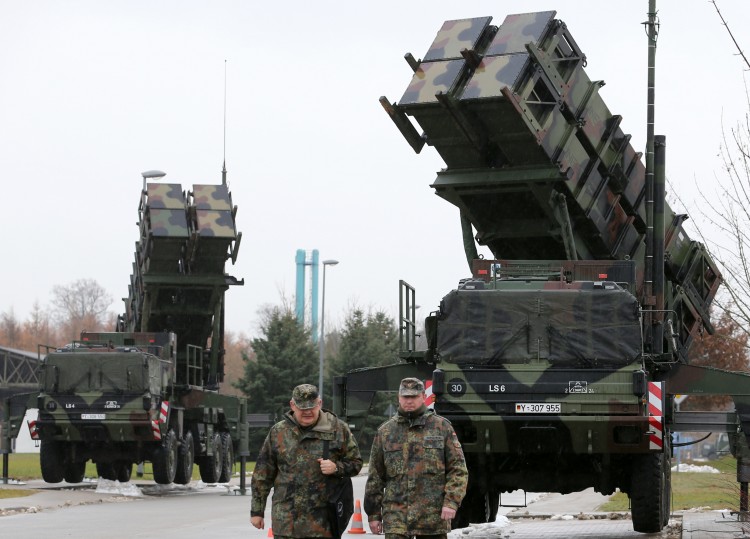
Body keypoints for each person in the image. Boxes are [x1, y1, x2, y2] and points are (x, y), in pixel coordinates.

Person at [250, 384, 363, 538]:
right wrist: (257, 511)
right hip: (286, 523)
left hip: (323, 524)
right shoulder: (278, 432)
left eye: (312, 406)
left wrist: (336, 468)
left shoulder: (338, 429)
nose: (308, 412)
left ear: (320, 404)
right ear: (292, 405)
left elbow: (356, 463)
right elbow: (262, 474)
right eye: (302, 408)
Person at [364, 377, 468, 539]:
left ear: (422, 397)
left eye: (414, 397)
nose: (409, 401)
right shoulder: (386, 432)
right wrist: (374, 515)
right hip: (396, 517)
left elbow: (458, 469)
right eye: (406, 397)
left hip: (432, 516)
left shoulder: (441, 427)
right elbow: (375, 477)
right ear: (399, 398)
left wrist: (451, 502)